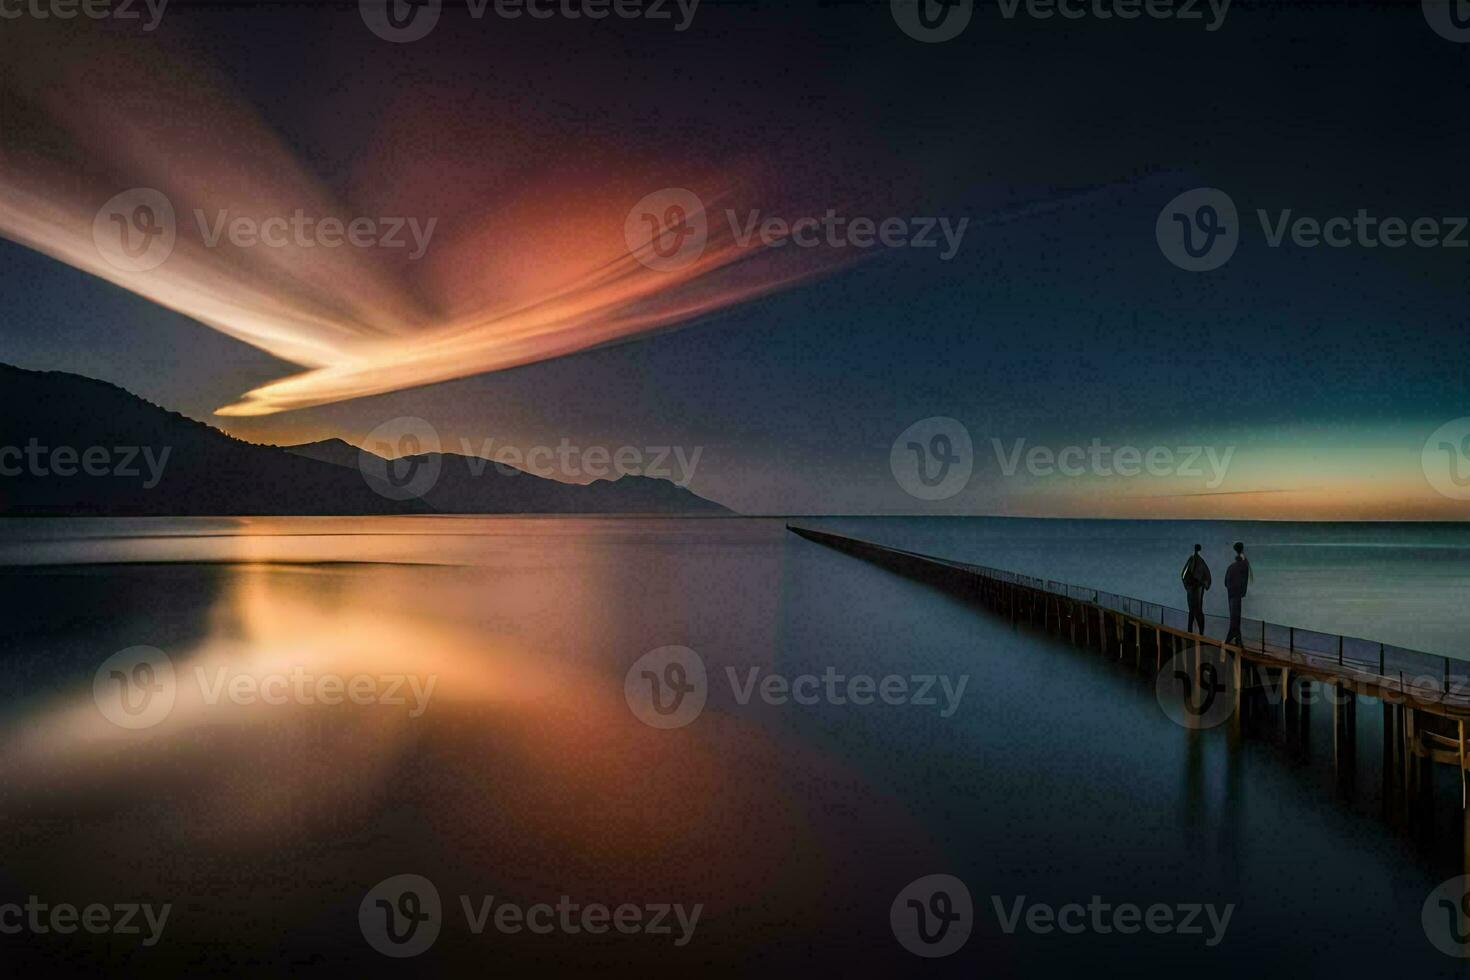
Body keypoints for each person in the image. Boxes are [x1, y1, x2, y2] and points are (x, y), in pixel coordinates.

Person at [1224, 541, 1251, 647]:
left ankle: (1235, 636)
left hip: (1231, 594)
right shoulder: (1243, 565)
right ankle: (1235, 636)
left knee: (1233, 615)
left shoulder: (1230, 568)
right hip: (1236, 595)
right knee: (1236, 616)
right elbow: (1245, 571)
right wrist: (1242, 591)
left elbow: (1225, 582)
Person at [1180, 543, 1211, 634]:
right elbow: (1207, 578)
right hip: (1196, 589)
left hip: (1193, 589)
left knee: (1193, 611)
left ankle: (1192, 631)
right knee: (1197, 611)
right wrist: (1202, 584)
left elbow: (1183, 575)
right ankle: (1199, 632)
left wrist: (1188, 586)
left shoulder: (1193, 560)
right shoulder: (1200, 561)